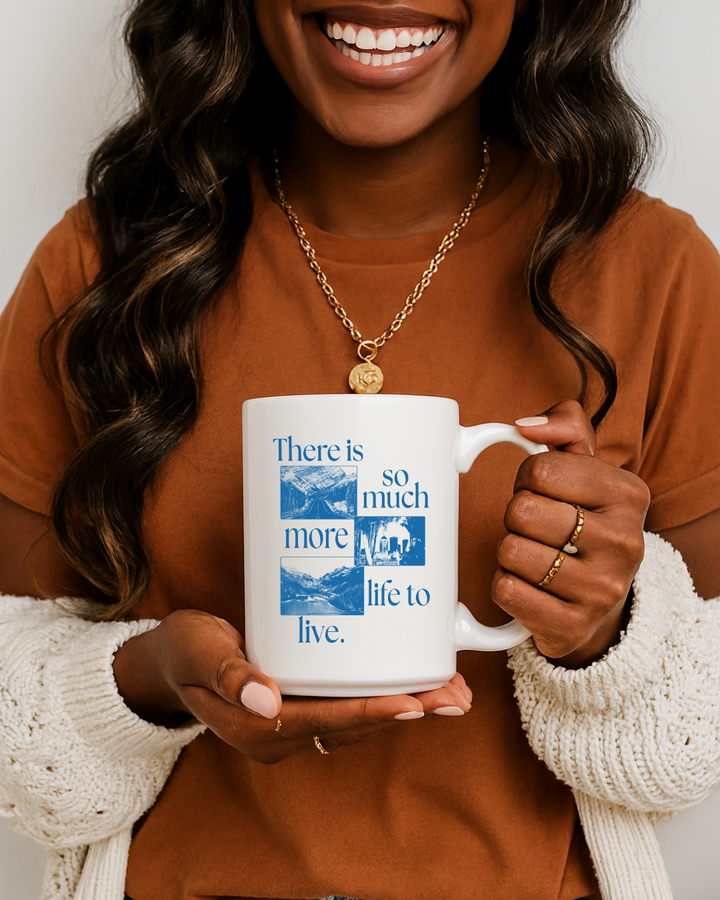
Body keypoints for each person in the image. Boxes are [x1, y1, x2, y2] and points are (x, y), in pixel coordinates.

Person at [1, 1, 720, 899]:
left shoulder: (654, 269)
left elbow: (693, 745)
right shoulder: (99, 269)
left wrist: (607, 634)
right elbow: (14, 710)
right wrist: (148, 682)